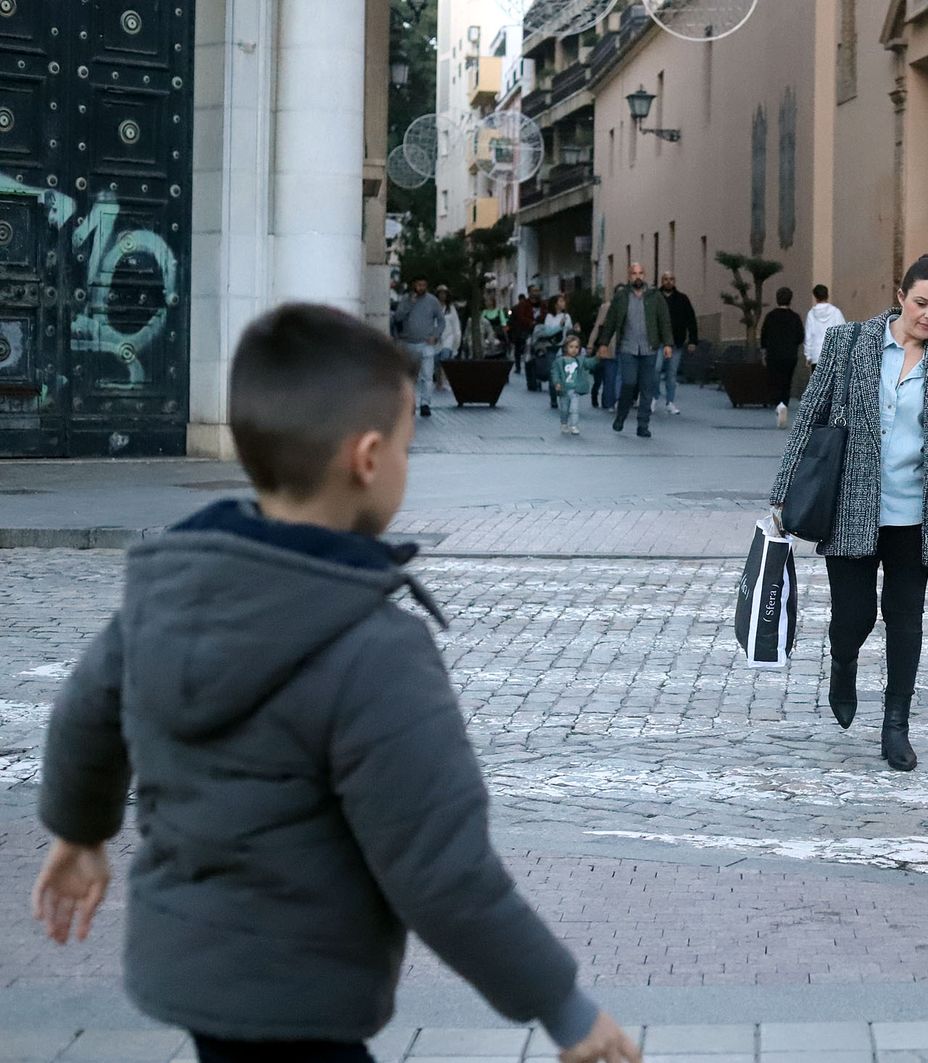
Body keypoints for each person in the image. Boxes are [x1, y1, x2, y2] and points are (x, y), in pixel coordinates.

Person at [30, 303, 642, 1063]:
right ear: (368, 458)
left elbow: (83, 714)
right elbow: (444, 871)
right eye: (409, 448)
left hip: (192, 974)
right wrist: (564, 1005)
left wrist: (80, 831)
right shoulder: (374, 649)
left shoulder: (166, 595)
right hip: (305, 994)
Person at [769, 254, 928, 772]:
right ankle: (842, 662)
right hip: (852, 507)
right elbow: (811, 421)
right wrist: (783, 494)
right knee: (854, 617)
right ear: (900, 297)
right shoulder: (849, 345)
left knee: (905, 619)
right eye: (921, 303)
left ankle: (896, 726)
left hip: (917, 515)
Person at [593, 262, 672, 438]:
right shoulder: (621, 297)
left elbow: (664, 321)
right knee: (628, 382)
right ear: (629, 276)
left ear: (645, 275)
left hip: (649, 348)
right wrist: (604, 343)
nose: (637, 276)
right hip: (628, 347)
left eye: (640, 273)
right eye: (634, 273)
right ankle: (621, 416)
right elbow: (611, 321)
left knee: (647, 387)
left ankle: (643, 425)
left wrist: (667, 344)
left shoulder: (655, 297)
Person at [390, 276, 445, 418]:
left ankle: (425, 404)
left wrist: (436, 335)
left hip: (426, 343)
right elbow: (397, 317)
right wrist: (410, 304)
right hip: (408, 342)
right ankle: (410, 403)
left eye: (424, 285)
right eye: (419, 285)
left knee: (427, 376)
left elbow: (441, 321)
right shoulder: (406, 300)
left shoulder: (432, 301)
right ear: (414, 285)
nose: (421, 288)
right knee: (409, 376)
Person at [759, 287, 805, 429]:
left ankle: (778, 406)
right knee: (786, 382)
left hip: (774, 355)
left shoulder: (770, 316)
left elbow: (764, 336)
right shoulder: (795, 317)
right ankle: (784, 404)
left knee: (775, 381)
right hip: (790, 355)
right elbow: (800, 337)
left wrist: (764, 351)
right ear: (790, 300)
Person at [658, 271, 698, 415]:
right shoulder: (655, 297)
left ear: (674, 281)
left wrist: (693, 340)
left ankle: (670, 402)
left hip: (676, 342)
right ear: (661, 281)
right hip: (658, 342)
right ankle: (653, 398)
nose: (669, 282)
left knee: (672, 373)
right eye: (666, 279)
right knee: (655, 370)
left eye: (671, 279)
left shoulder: (682, 299)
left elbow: (691, 320)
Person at [803, 283, 846, 401]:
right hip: (833, 354)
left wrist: (808, 354)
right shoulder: (836, 312)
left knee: (818, 385)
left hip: (817, 354)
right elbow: (843, 332)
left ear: (815, 297)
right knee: (832, 385)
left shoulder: (811, 314)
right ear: (827, 295)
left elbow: (809, 335)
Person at [550, 334, 599, 436]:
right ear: (565, 348)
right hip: (564, 390)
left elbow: (589, 363)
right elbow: (555, 373)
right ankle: (564, 423)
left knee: (574, 409)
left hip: (575, 389)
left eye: (576, 347)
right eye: (571, 347)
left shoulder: (581, 360)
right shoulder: (560, 361)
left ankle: (574, 426)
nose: (574, 349)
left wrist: (597, 358)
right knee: (564, 409)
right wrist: (557, 383)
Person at [532, 292, 575, 405]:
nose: (563, 303)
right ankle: (553, 398)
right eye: (561, 301)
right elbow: (547, 332)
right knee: (553, 373)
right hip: (552, 347)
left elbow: (570, 331)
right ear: (555, 304)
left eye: (563, 301)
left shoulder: (567, 316)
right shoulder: (549, 317)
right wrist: (559, 327)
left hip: (564, 348)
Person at [509, 291, 540, 380]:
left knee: (518, 351)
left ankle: (519, 367)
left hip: (519, 333)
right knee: (526, 350)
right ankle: (526, 366)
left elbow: (511, 321)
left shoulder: (515, 308)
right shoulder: (527, 308)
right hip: (525, 332)